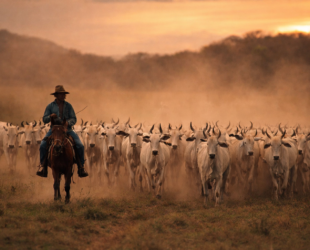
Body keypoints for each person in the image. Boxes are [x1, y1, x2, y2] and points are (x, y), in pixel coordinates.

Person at [36, 85, 88, 178]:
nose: (63, 96)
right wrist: (51, 116)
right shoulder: (50, 106)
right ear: (56, 95)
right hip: (54, 130)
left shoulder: (68, 106)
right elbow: (44, 119)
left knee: (80, 145)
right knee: (43, 145)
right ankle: (42, 166)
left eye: (64, 94)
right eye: (61, 94)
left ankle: (81, 167)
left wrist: (68, 123)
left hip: (67, 130)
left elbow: (74, 118)